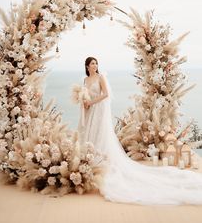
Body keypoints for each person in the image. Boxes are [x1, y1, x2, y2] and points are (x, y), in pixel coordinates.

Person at [77, 56, 202, 205]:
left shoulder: (100, 77)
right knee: (90, 134)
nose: (95, 65)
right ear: (87, 66)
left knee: (100, 133)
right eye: (92, 63)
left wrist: (92, 101)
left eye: (96, 63)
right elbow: (85, 95)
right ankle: (89, 159)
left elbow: (105, 94)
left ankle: (100, 161)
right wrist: (85, 102)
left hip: (99, 110)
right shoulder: (85, 81)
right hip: (90, 111)